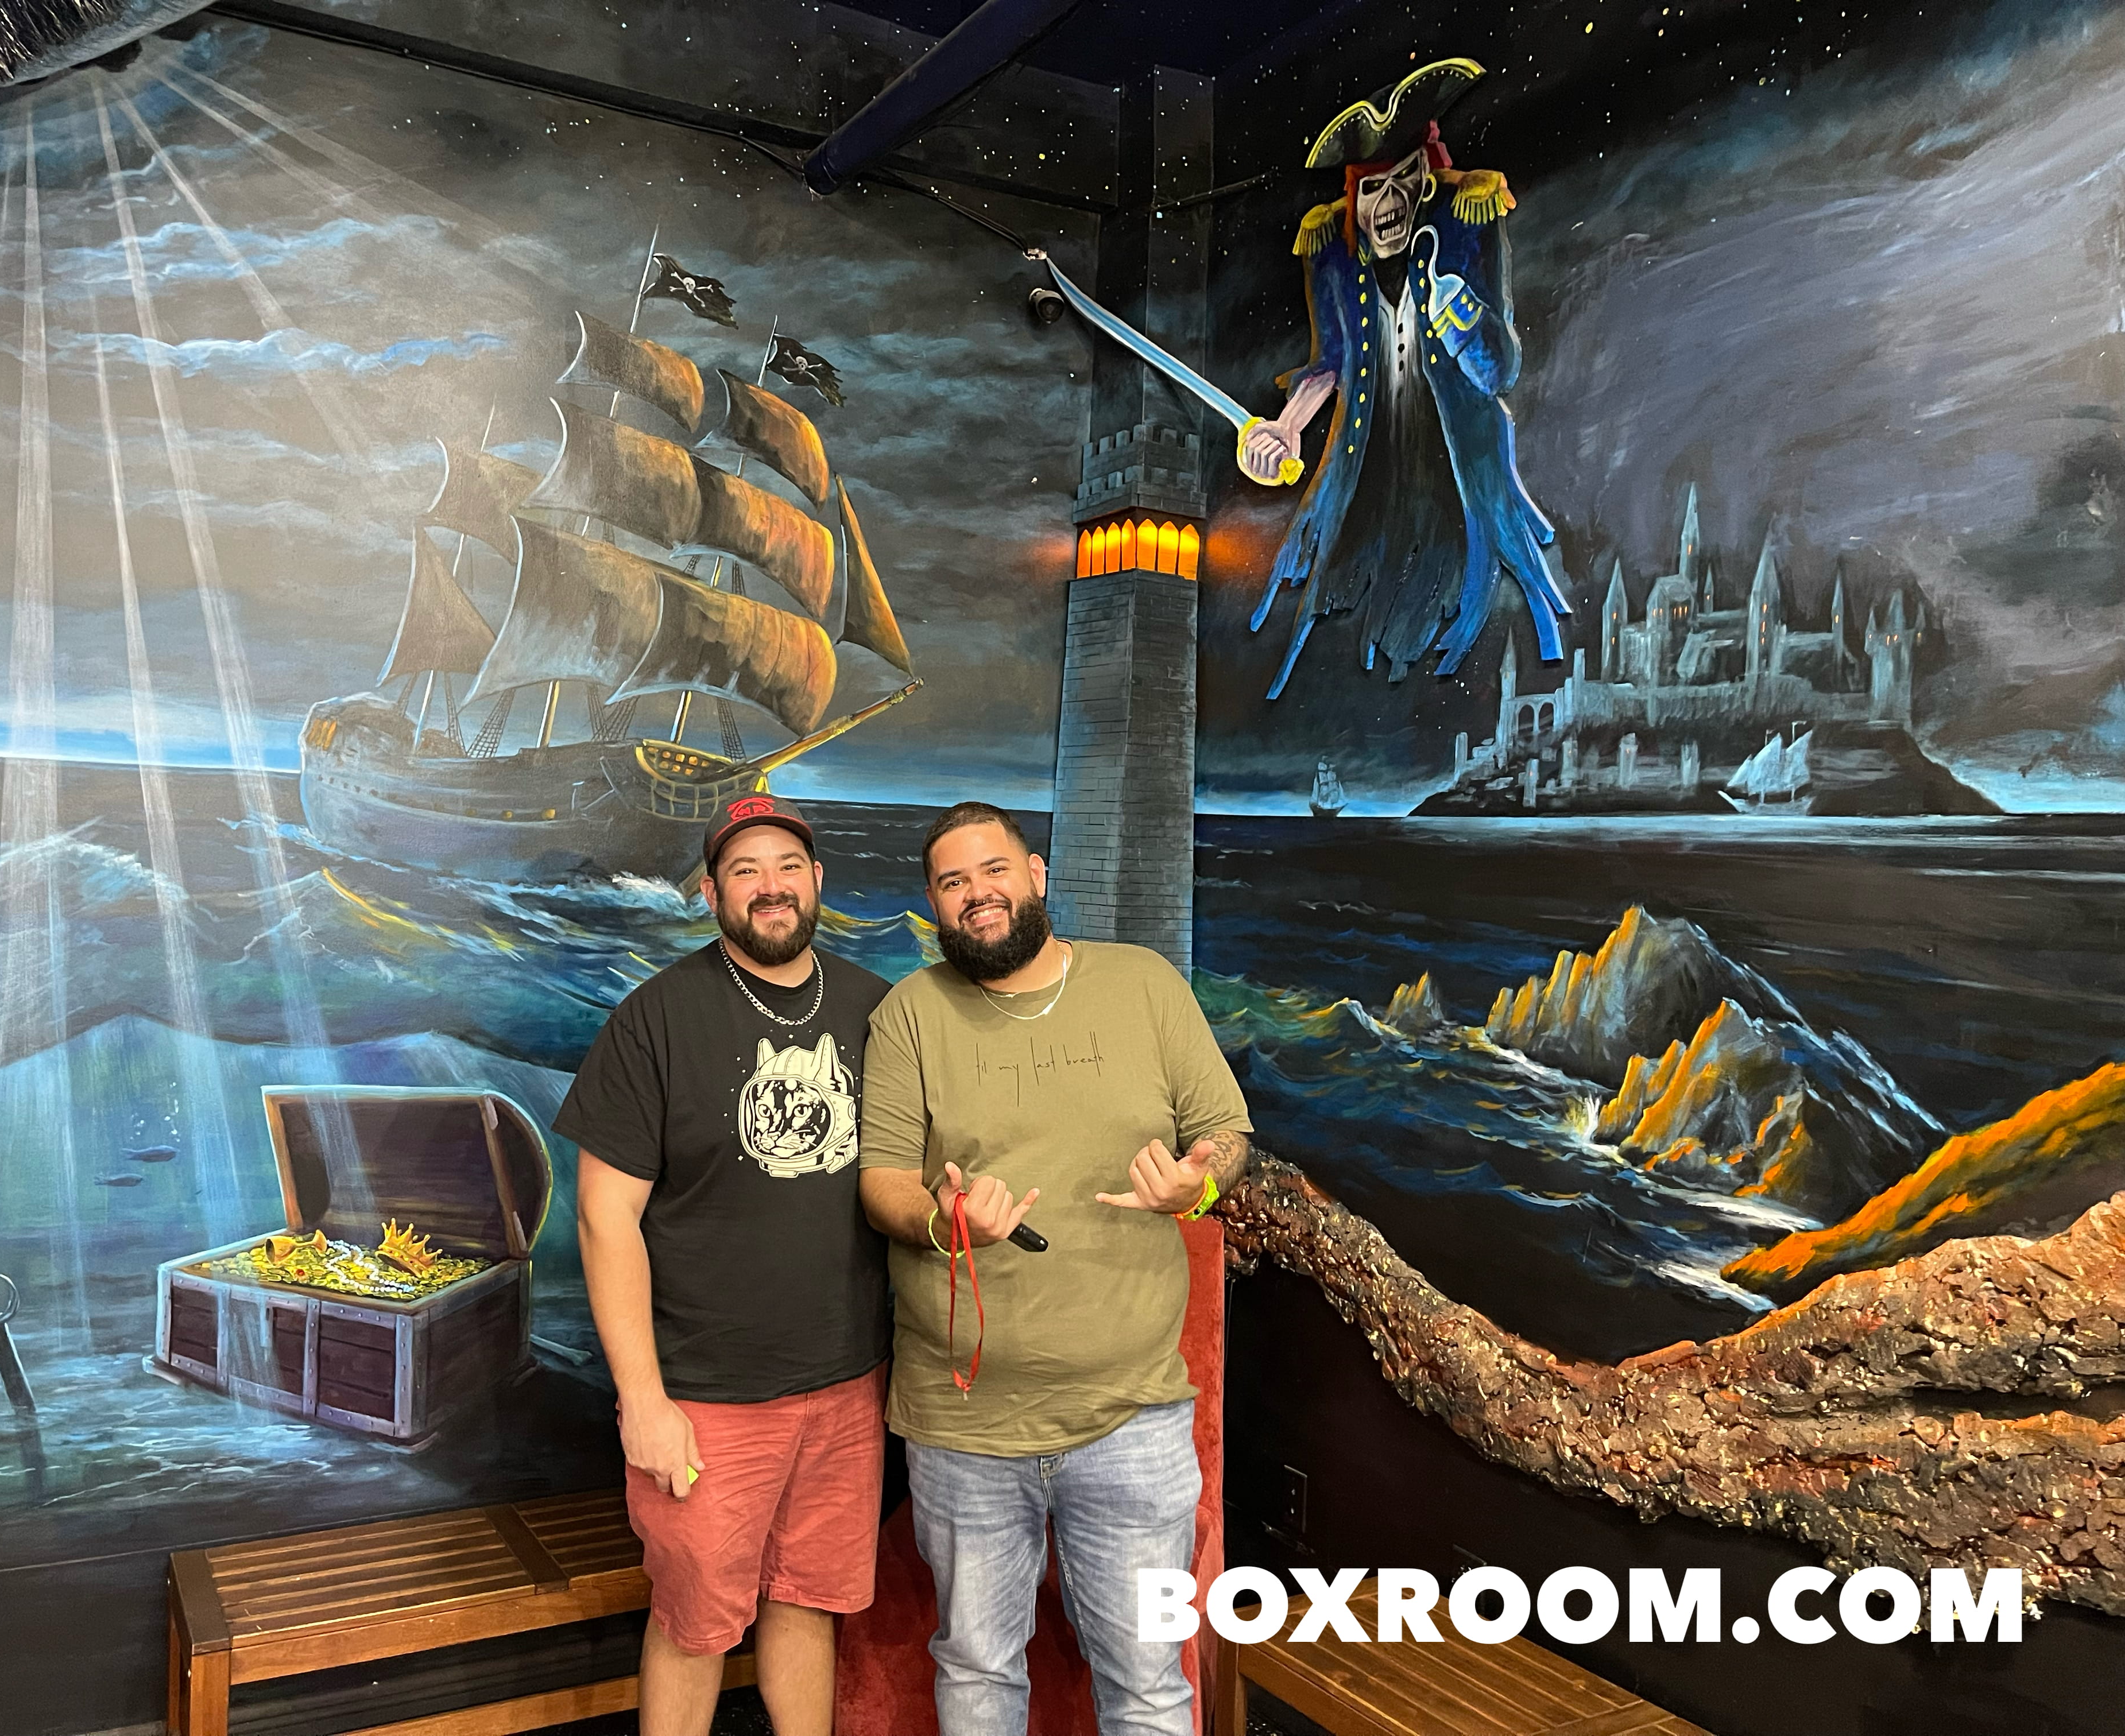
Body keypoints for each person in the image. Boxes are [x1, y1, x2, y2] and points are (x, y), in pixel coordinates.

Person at [857, 801, 1253, 1736]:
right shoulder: (910, 1013)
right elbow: (881, 1183)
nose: (977, 894)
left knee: (1149, 1684)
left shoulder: (1143, 983)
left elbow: (1226, 1132)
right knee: (977, 1669)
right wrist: (942, 1221)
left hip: (1132, 1416)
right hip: (964, 1421)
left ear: (1036, 873)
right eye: (953, 882)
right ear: (934, 903)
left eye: (993, 870)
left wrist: (1195, 1185)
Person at [560, 793, 891, 1736]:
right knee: (694, 1628)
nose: (769, 886)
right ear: (710, 893)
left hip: (846, 1388)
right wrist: (644, 1401)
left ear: (817, 880)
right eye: (745, 871)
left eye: (786, 866)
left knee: (808, 1604)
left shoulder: (877, 1007)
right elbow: (604, 1217)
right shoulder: (655, 1019)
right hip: (705, 1402)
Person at [1237, 56, 1568, 694]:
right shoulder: (1333, 252)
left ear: (1425, 181)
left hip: (1459, 476)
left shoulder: (1467, 218)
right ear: (1354, 198)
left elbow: (1500, 371)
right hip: (1368, 471)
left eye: (1403, 183)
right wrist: (1287, 427)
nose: (1388, 204)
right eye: (1372, 190)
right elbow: (1331, 360)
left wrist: (1461, 318)